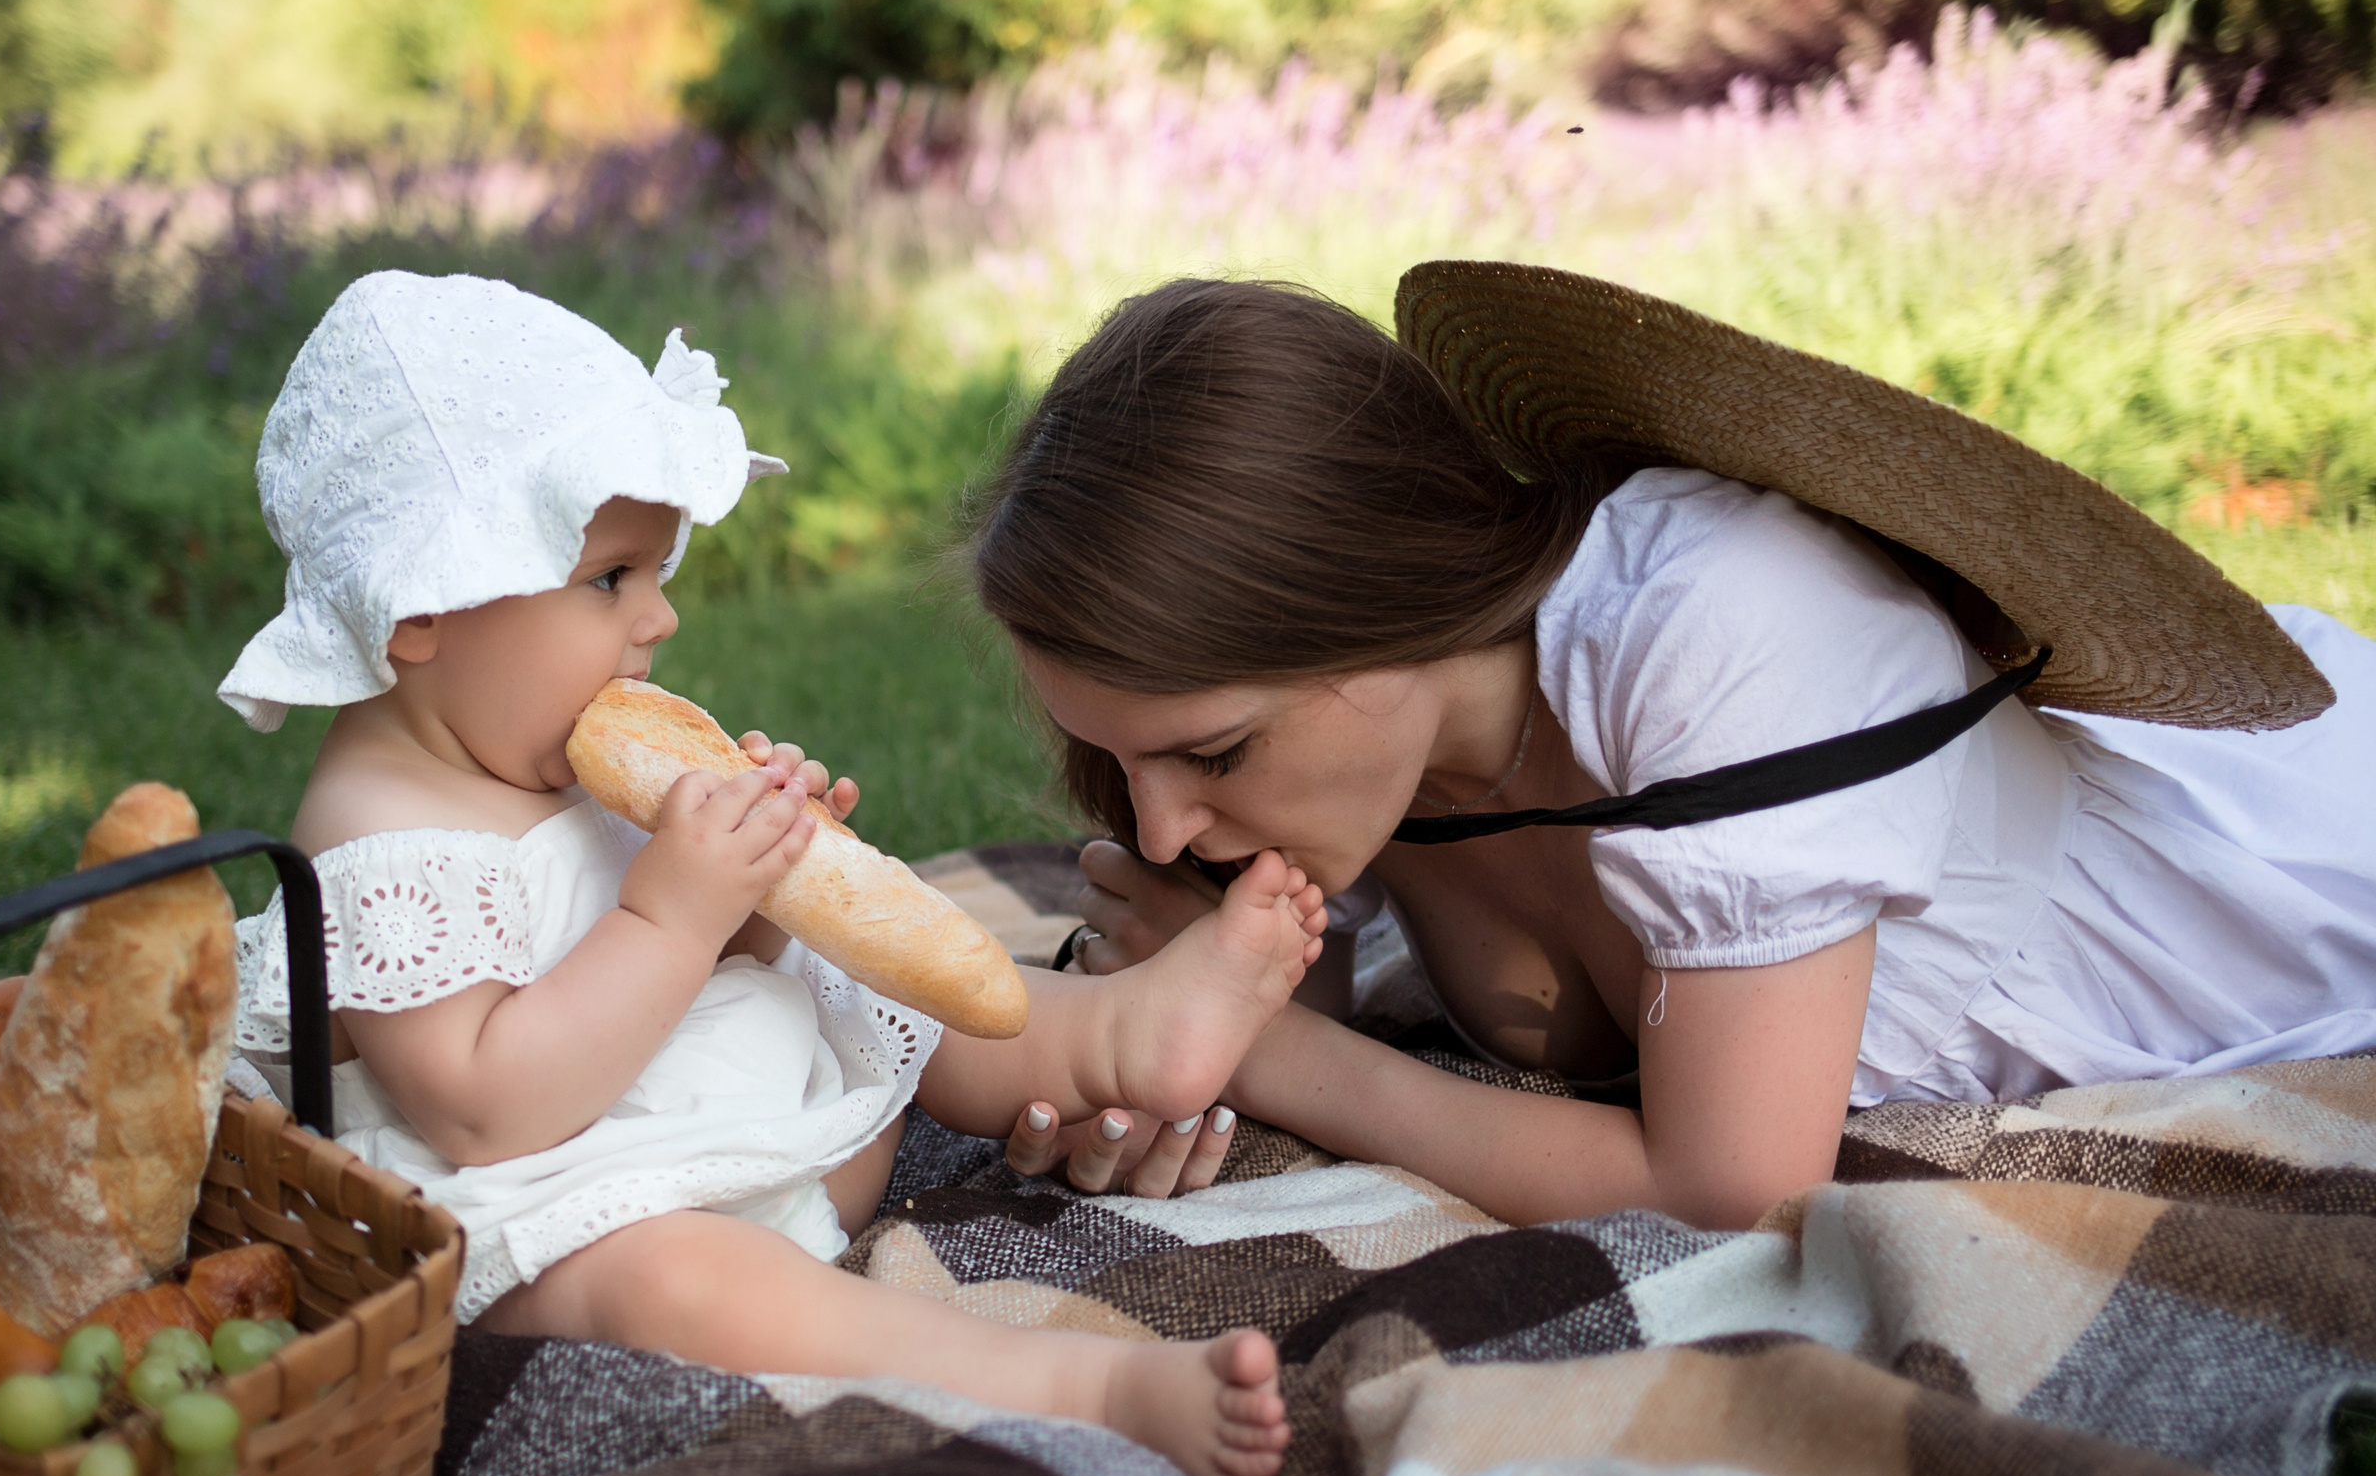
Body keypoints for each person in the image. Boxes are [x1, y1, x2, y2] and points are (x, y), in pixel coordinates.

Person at [214, 271, 1316, 1476]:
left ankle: (1118, 1031)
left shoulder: (526, 739)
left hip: (714, 1124)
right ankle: (1084, 1388)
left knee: (875, 974)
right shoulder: (373, 839)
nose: (661, 615)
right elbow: (487, 1109)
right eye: (609, 578)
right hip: (553, 1215)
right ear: (421, 609)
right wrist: (673, 910)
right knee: (678, 1285)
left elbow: (667, 968)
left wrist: (761, 895)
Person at [971, 266, 2376, 1230]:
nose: (1157, 831)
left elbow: (1732, 1190)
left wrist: (1266, 1058)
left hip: (2293, 892)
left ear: (1383, 608)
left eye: (1209, 753)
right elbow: (1260, 1012)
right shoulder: (1351, 779)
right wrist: (1141, 1057)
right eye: (1125, 761)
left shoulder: (1721, 626)